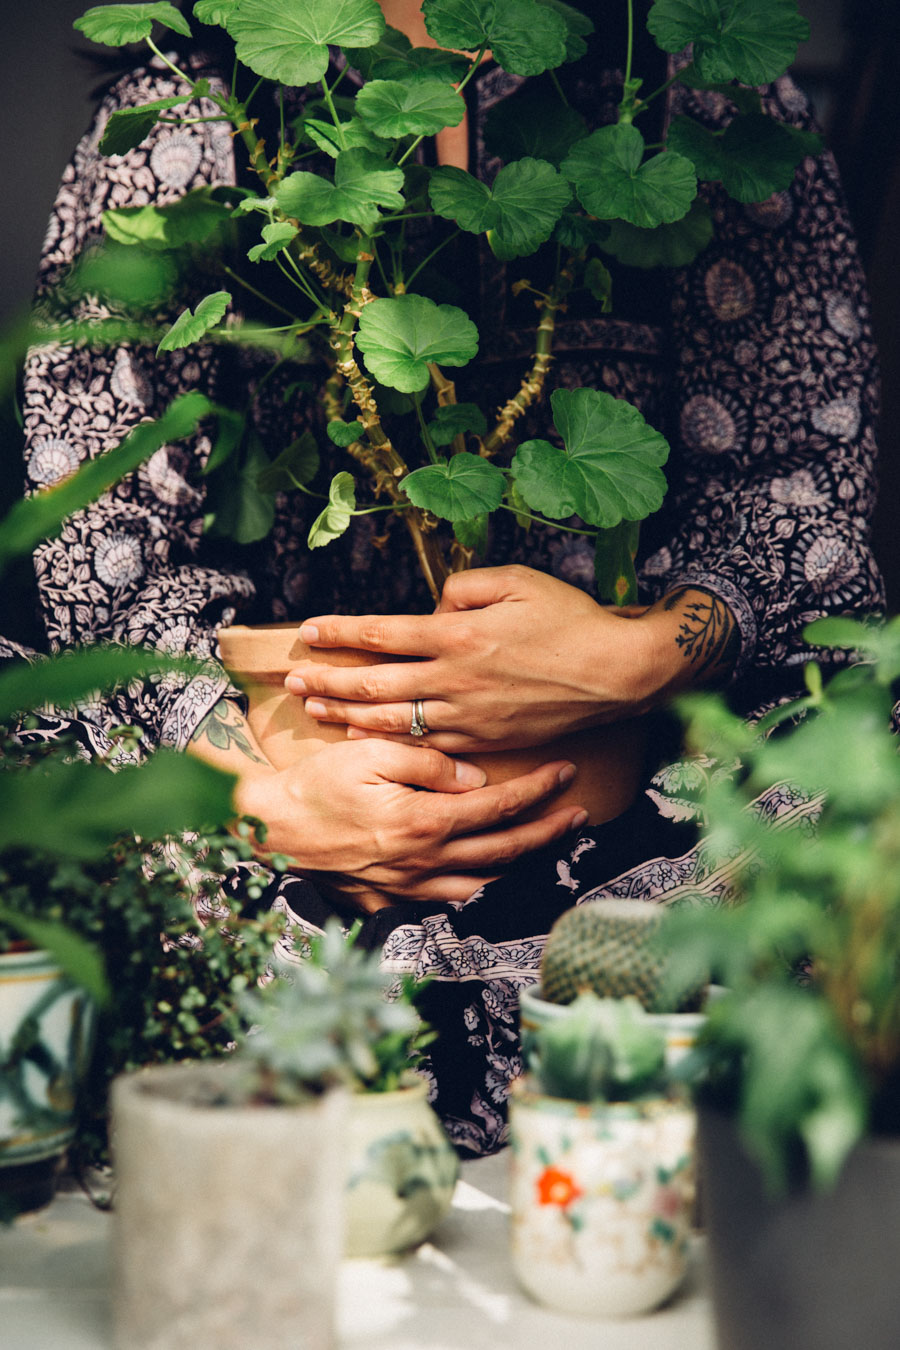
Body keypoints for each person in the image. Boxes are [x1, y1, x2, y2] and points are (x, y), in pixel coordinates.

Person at [17, 1, 885, 1152]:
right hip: (275, 805)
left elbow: (805, 487)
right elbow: (100, 550)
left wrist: (636, 655)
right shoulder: (188, 111)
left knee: (869, 748)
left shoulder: (694, 90)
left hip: (646, 799)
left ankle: (583, 984)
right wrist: (253, 800)